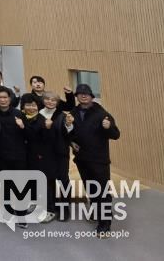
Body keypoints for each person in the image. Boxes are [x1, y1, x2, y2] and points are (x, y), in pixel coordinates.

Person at [68, 84, 120, 237]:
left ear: (91, 96)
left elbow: (116, 135)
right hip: (82, 159)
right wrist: (71, 141)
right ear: (77, 96)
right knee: (91, 189)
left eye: (87, 94)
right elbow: (69, 133)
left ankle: (105, 224)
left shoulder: (102, 114)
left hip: (99, 160)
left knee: (102, 192)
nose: (83, 96)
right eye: (80, 93)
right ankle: (97, 212)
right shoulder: (73, 113)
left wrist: (108, 127)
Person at [21, 94, 57, 224]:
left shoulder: (43, 120)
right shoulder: (22, 118)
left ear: (38, 106)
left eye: (33, 105)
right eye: (28, 105)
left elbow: (45, 139)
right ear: (23, 106)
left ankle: (50, 210)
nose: (31, 108)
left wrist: (23, 127)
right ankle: (35, 204)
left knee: (43, 184)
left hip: (40, 157)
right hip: (27, 156)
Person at [40, 91, 74, 220]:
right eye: (47, 99)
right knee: (48, 181)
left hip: (60, 153)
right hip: (44, 154)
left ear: (57, 103)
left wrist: (69, 125)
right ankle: (50, 207)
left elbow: (68, 135)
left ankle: (65, 208)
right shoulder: (38, 114)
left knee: (63, 181)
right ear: (43, 100)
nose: (50, 102)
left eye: (53, 100)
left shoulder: (63, 116)